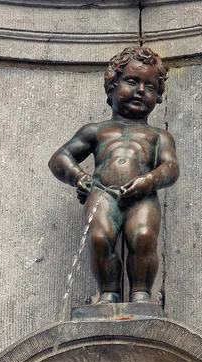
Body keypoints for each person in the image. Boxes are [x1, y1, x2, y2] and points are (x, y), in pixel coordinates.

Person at [49, 46, 179, 304]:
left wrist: (148, 181)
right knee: (99, 237)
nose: (141, 91)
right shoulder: (97, 131)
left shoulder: (158, 136)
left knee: (143, 237)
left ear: (159, 96)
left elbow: (171, 167)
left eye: (150, 87)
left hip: (143, 195)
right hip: (103, 193)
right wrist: (78, 177)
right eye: (132, 81)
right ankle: (108, 291)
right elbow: (60, 158)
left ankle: (141, 292)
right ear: (112, 86)